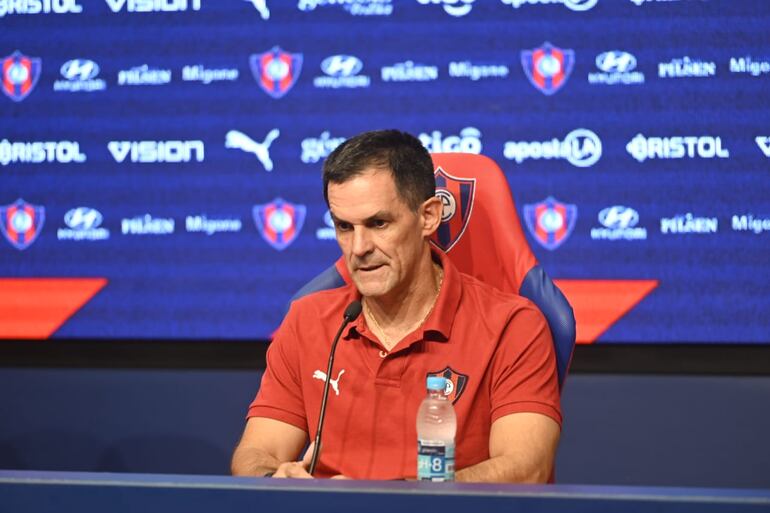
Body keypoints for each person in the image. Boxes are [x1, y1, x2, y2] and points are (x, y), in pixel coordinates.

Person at [231, 129, 561, 482]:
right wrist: (271, 479)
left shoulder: (512, 325)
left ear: (429, 217)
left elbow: (526, 470)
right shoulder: (307, 320)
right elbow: (253, 454)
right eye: (344, 227)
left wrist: (386, 499)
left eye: (378, 223)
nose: (358, 248)